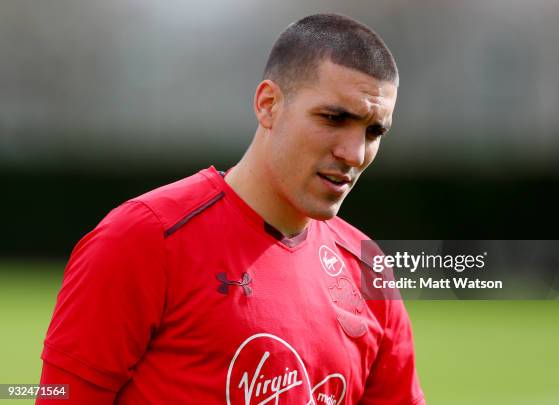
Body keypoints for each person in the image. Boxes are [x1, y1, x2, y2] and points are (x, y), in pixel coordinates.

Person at [38, 13, 426, 404]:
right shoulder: (146, 238)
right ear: (268, 104)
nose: (354, 153)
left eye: (374, 131)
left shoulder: (366, 270)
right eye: (333, 118)